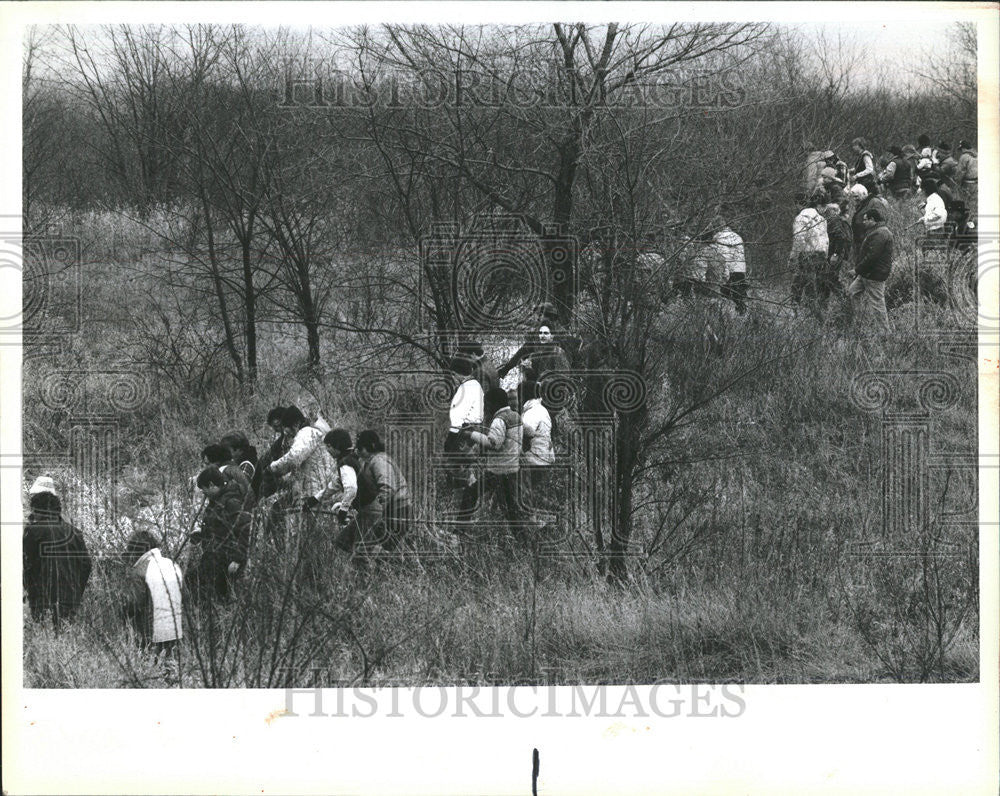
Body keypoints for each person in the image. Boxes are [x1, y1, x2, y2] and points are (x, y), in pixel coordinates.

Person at [460, 387, 527, 541]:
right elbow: (524, 435)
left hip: (498, 471)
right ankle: (524, 541)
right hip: (512, 470)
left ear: (493, 403)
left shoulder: (499, 420)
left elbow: (493, 443)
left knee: (470, 494)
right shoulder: (516, 416)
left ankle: (459, 531)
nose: (486, 406)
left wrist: (471, 434)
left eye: (487, 403)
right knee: (511, 510)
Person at [23, 476, 92, 628]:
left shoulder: (33, 531)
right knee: (65, 641)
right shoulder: (75, 532)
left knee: (45, 643)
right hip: (70, 601)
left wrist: (30, 592)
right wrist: (75, 592)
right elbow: (86, 565)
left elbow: (26, 566)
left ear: (36, 509)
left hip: (43, 601)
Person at [192, 465, 251, 601]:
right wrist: (201, 533)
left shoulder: (231, 502)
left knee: (226, 600)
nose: (204, 494)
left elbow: (246, 528)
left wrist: (237, 559)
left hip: (228, 561)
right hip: (216, 559)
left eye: (204, 490)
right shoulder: (217, 500)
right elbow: (221, 526)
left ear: (212, 485)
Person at [121, 530, 183, 657]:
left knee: (151, 667)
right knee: (171, 667)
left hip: (150, 635)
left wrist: (121, 611)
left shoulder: (139, 571)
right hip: (177, 631)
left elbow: (132, 604)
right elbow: (185, 597)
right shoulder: (172, 565)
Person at [322, 429, 384, 554]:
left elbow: (351, 488)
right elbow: (337, 484)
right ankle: (386, 558)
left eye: (328, 446)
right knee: (343, 541)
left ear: (336, 445)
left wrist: (343, 510)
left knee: (360, 552)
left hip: (370, 510)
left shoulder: (346, 463)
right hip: (370, 509)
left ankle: (391, 559)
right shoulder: (350, 459)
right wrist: (315, 499)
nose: (327, 450)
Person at [357, 430, 413, 550]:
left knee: (385, 549)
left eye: (361, 449)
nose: (359, 452)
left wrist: (377, 510)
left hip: (397, 510)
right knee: (383, 549)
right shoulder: (373, 461)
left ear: (368, 448)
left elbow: (387, 488)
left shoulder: (379, 461)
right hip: (394, 508)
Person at [846, 206, 893, 333]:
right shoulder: (876, 231)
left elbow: (872, 256)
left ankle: (885, 334)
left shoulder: (881, 233)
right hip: (866, 274)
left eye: (865, 219)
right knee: (852, 292)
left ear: (873, 220)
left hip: (874, 275)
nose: (863, 222)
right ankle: (863, 325)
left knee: (878, 304)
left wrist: (857, 270)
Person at [789, 191, 831, 311]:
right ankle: (810, 314)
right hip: (821, 257)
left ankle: (800, 313)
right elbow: (826, 240)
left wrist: (793, 257)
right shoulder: (821, 218)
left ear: (797, 204)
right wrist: (825, 256)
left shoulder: (801, 217)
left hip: (807, 256)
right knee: (812, 287)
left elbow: (799, 238)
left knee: (802, 288)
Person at [711, 217, 748, 315]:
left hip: (729, 270)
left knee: (725, 297)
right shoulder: (737, 236)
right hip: (740, 271)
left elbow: (723, 256)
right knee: (739, 297)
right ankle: (742, 317)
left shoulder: (719, 237)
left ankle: (727, 319)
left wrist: (724, 273)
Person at [202, 443, 254, 510]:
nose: (206, 468)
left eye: (208, 464)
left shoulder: (223, 472)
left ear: (216, 462)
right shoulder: (234, 468)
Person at [822, 198, 852, 302]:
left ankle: (845, 300)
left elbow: (840, 237)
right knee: (828, 279)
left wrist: (835, 254)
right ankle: (825, 302)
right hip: (835, 253)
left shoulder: (834, 221)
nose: (825, 213)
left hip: (835, 254)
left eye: (828, 211)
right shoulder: (836, 220)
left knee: (830, 279)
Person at [849, 184, 889, 263]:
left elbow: (882, 219)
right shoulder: (863, 203)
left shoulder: (874, 202)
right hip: (862, 240)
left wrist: (871, 234)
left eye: (856, 196)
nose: (855, 199)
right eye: (853, 197)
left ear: (864, 194)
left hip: (870, 239)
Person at [955, 140, 978, 213]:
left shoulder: (964, 157)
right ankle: (974, 219)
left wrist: (957, 182)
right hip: (977, 183)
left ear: (963, 148)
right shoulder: (977, 155)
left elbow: (960, 171)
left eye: (961, 149)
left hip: (967, 184)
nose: (961, 151)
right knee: (974, 203)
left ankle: (966, 219)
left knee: (965, 203)